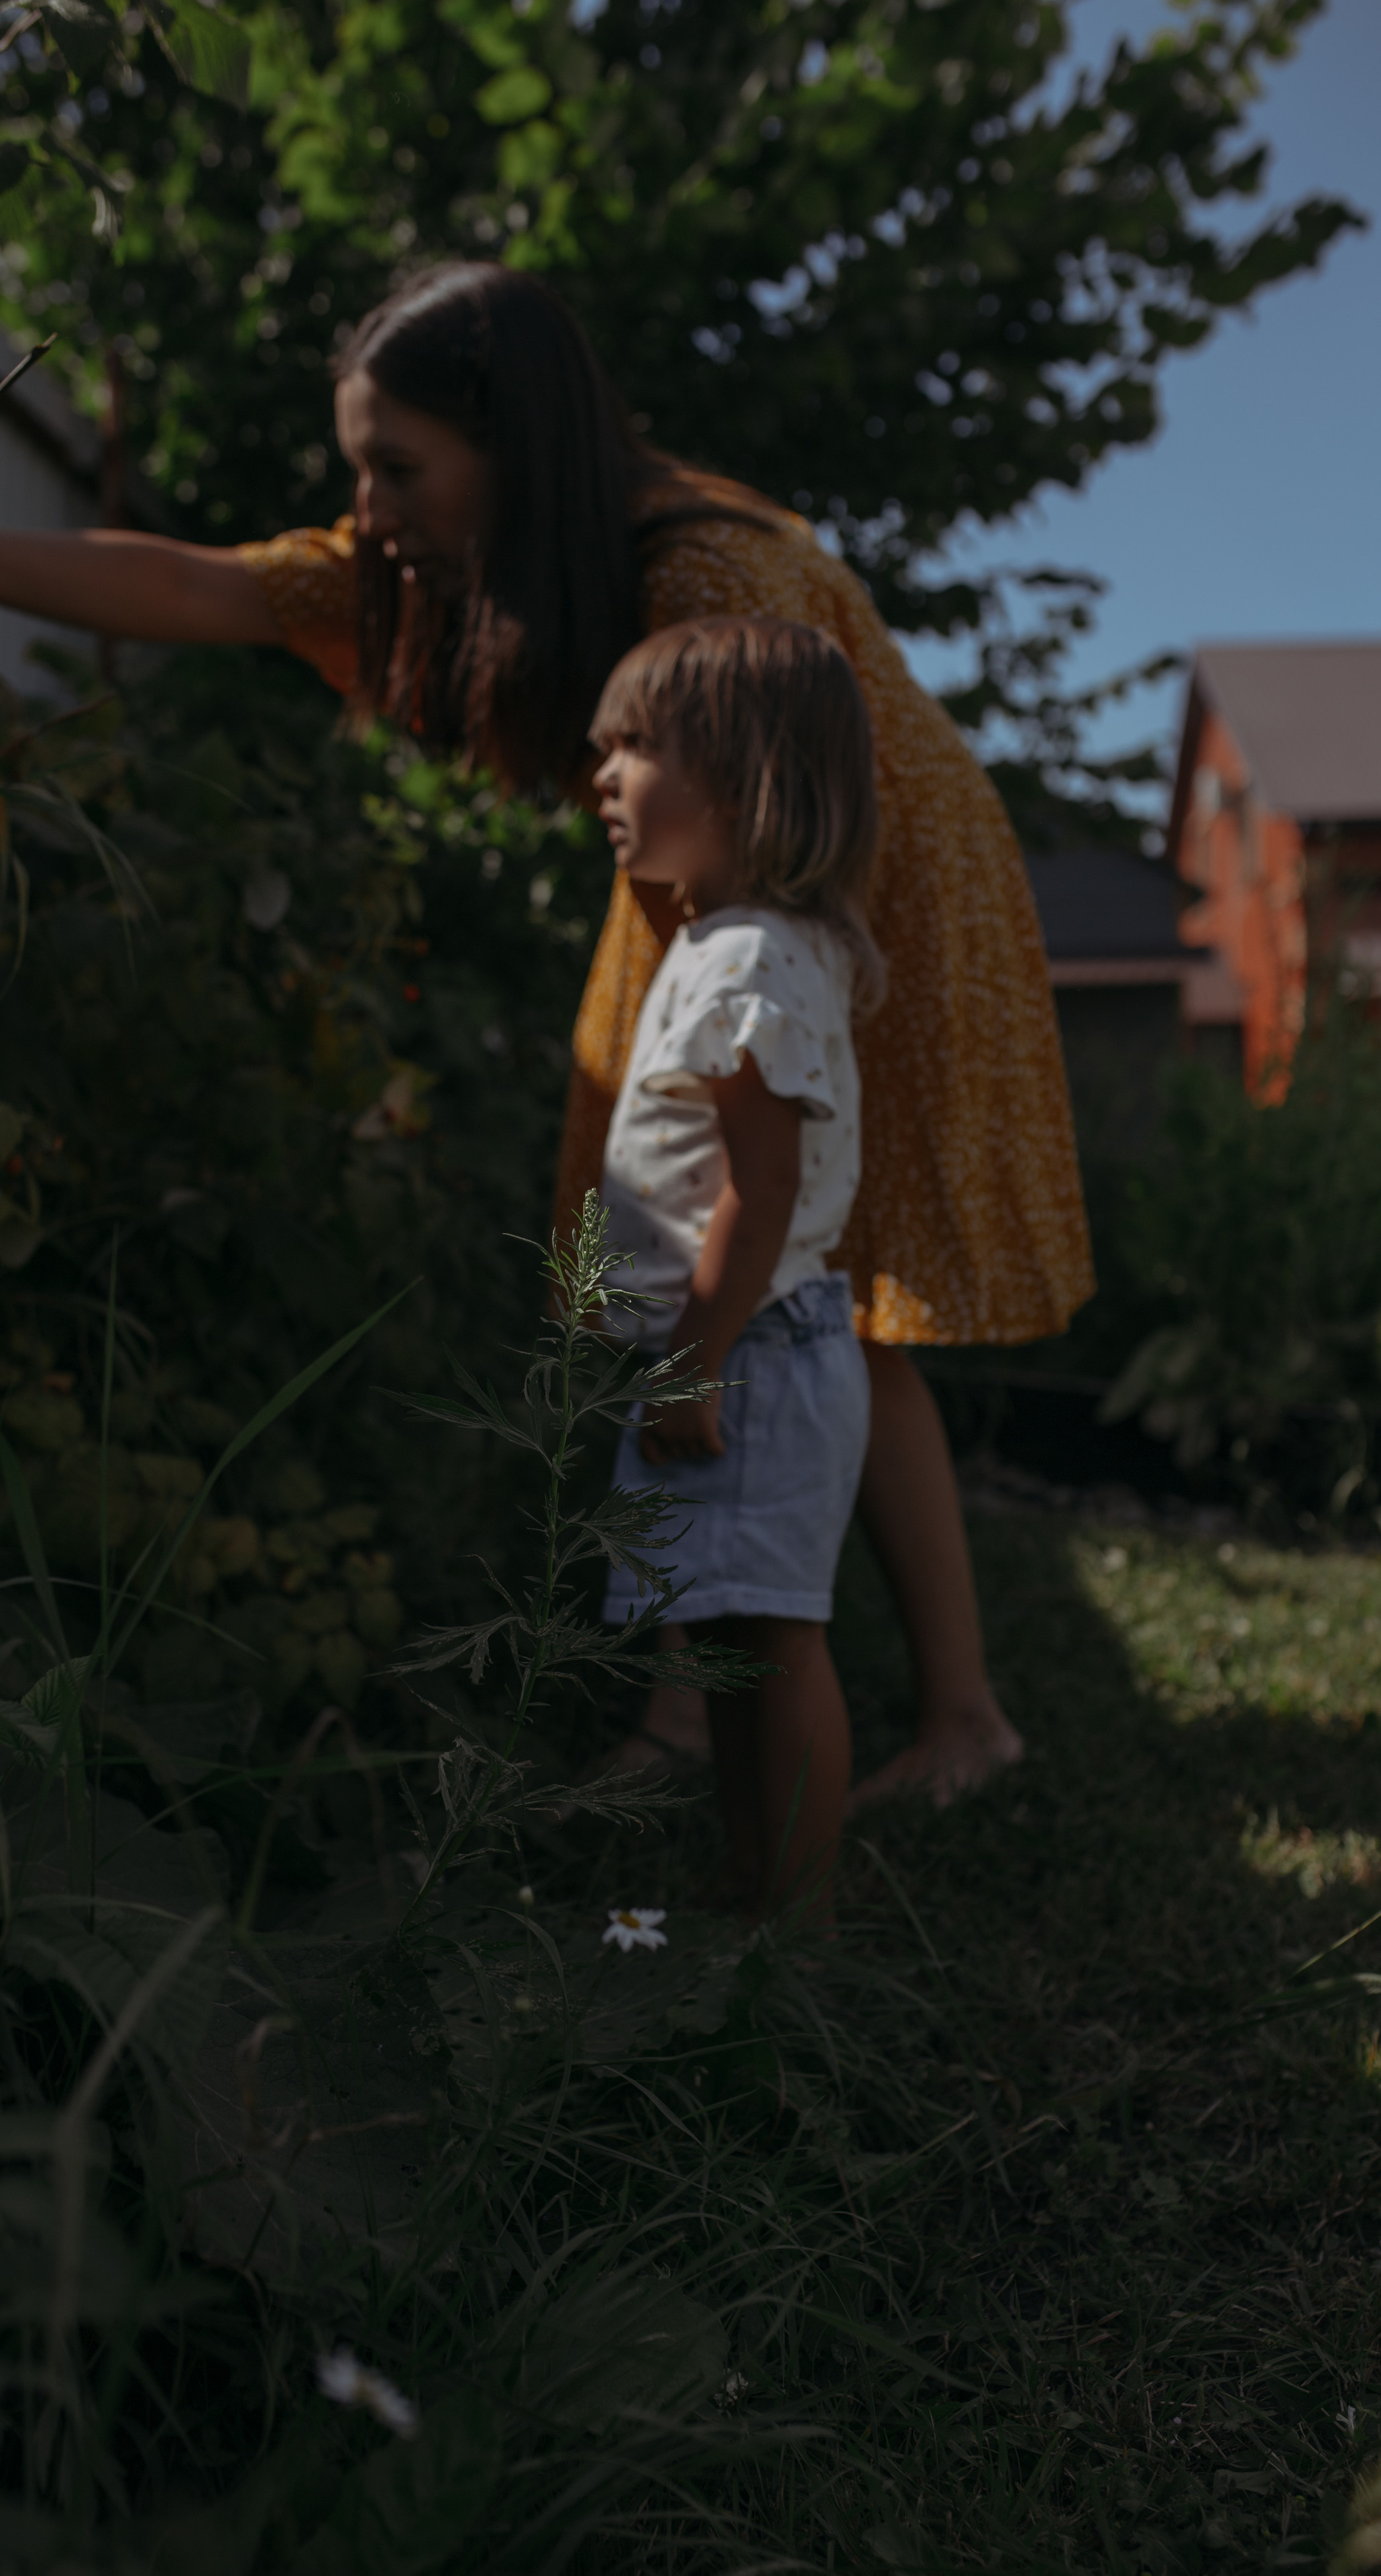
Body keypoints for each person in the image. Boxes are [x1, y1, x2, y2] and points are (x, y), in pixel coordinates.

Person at [0, 259, 1093, 1807]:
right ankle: (735, 1709)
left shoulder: (707, 575)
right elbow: (212, 584)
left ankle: (928, 1718)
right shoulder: (535, 552)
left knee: (816, 1287)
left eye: (398, 467)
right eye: (358, 465)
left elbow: (803, 794)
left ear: (511, 448)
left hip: (854, 907)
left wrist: (748, 1006)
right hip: (727, 906)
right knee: (711, 1268)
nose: (370, 504)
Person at [590, 616, 880, 1928]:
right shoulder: (730, 942)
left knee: (769, 1640)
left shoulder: (750, 960)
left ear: (742, 778)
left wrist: (695, 1361)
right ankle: (750, 1890)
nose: (603, 772)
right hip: (736, 1353)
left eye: (636, 746)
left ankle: (795, 1925)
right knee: (725, 1642)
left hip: (744, 1355)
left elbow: (756, 1197)